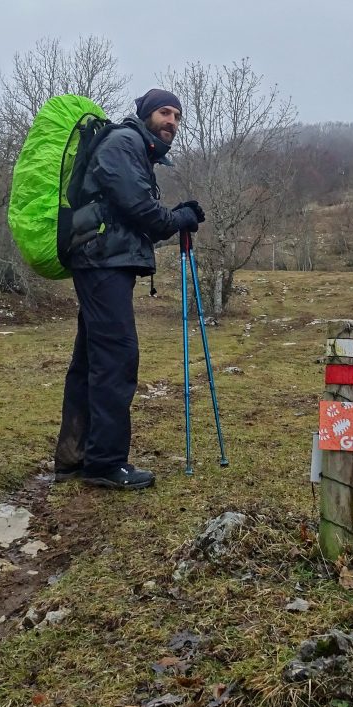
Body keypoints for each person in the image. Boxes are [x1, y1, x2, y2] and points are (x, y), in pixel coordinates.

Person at [54, 88, 206, 489]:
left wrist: (174, 218)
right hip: (101, 261)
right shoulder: (124, 142)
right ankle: (104, 463)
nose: (171, 121)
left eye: (176, 115)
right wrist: (180, 217)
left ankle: (75, 455)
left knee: (91, 360)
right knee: (116, 358)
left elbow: (133, 215)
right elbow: (141, 210)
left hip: (102, 261)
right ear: (145, 114)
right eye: (164, 112)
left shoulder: (134, 148)